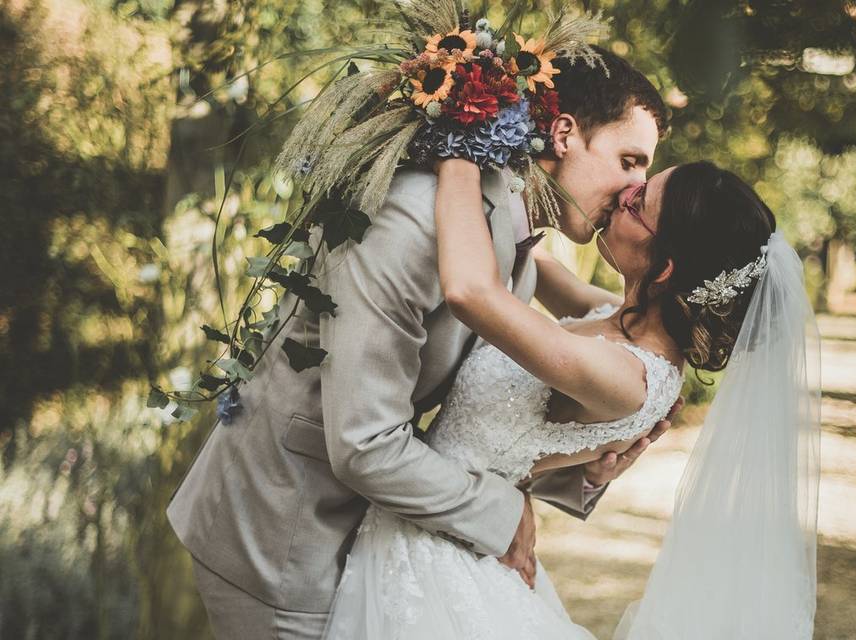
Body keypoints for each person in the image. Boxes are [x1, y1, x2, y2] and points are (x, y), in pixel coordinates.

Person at [166, 46, 675, 640]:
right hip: (283, 534)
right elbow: (363, 442)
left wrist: (587, 455)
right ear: (564, 133)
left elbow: (489, 409)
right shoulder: (411, 219)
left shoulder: (514, 241)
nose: (633, 191)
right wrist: (500, 512)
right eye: (630, 160)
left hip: (378, 534)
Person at [321, 160, 820, 639]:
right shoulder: (615, 317)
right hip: (437, 516)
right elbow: (521, 250)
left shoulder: (628, 377)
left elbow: (472, 290)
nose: (627, 191)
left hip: (435, 551)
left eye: (640, 203)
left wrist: (461, 156)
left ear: (665, 269)